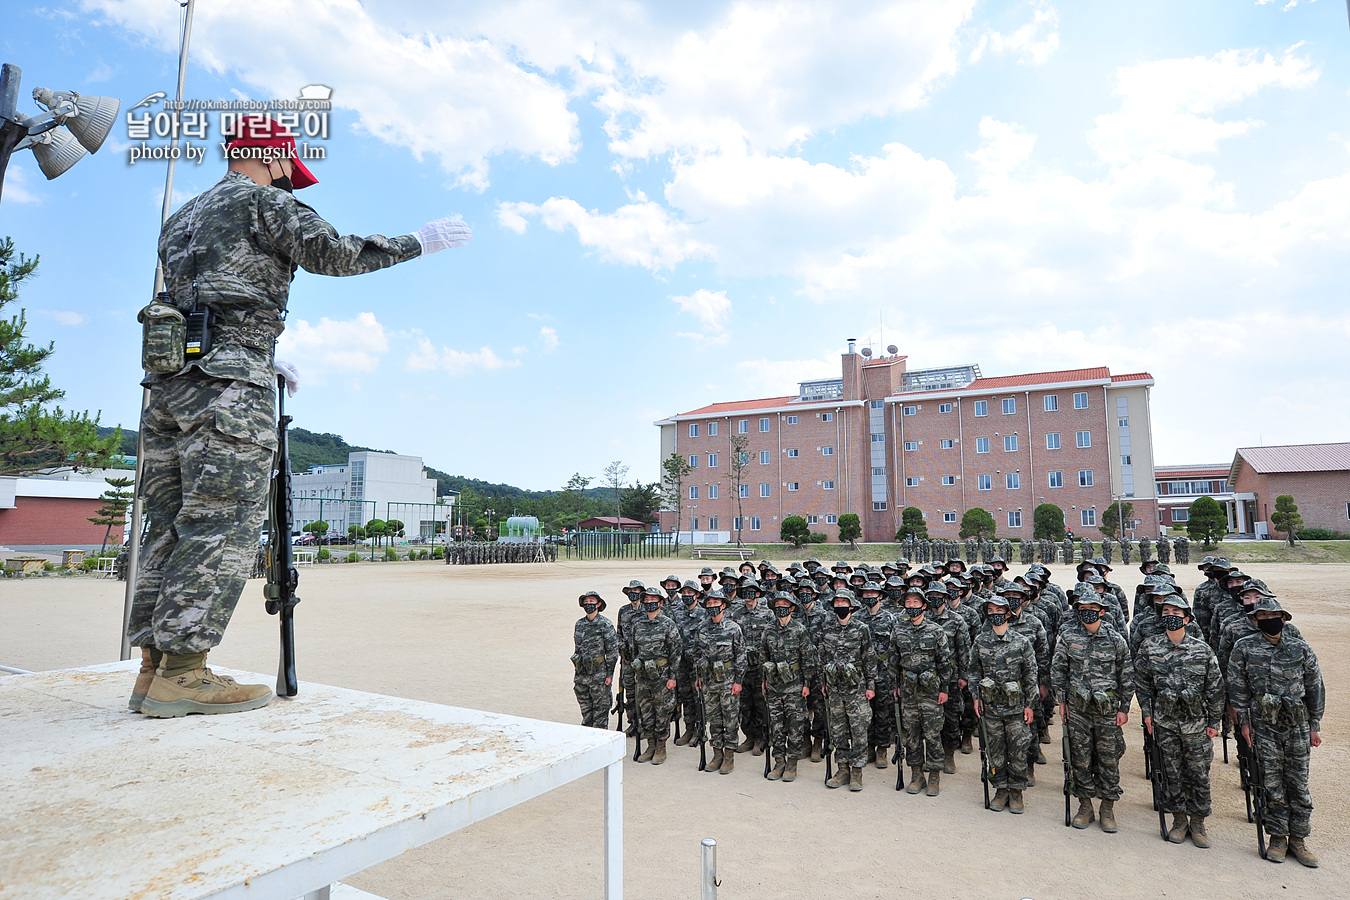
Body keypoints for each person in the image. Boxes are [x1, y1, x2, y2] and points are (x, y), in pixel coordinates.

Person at [130, 116, 470, 717]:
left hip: (169, 385)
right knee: (220, 523)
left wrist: (254, 344)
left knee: (168, 522)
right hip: (230, 386)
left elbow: (195, 298)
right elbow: (335, 254)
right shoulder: (264, 202)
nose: (291, 182)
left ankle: (153, 669)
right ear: (278, 158)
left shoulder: (180, 217)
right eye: (290, 170)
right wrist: (420, 241)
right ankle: (184, 672)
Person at [1228, 596, 1325, 866]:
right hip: (1263, 727)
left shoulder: (1300, 649)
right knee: (1271, 783)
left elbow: (1315, 686)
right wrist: (1244, 722)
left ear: (1283, 619)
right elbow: (1238, 687)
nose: (1269, 620)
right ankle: (1278, 838)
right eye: (1262, 616)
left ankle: (1299, 839)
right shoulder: (1244, 648)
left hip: (1297, 727)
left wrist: (1314, 725)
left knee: (1298, 784)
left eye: (1274, 615)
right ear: (1256, 620)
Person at [1134, 593, 1224, 848]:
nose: (1170, 617)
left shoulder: (1202, 649)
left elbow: (1215, 688)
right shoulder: (1150, 647)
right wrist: (1148, 713)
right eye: (1166, 613)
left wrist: (1214, 722)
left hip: (1196, 724)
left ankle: (1198, 821)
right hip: (1165, 722)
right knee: (1171, 773)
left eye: (1176, 613)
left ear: (1187, 618)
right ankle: (1179, 819)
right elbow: (1142, 683)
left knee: (1198, 773)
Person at [1052, 585, 1134, 833]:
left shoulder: (1114, 639)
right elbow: (1059, 671)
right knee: (1080, 757)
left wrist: (1125, 707)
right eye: (1083, 609)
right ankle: (1085, 805)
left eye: (1092, 609)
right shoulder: (1068, 637)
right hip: (1077, 710)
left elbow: (1126, 674)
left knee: (1109, 758)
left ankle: (1107, 807)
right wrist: (1062, 701)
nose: (1087, 613)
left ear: (1102, 611)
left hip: (1108, 711)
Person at [968, 594, 1037, 813]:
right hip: (990, 706)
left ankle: (1016, 792)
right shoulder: (981, 641)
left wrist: (1030, 704)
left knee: (1017, 750)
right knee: (995, 750)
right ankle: (1000, 789)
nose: (995, 615)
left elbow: (1030, 674)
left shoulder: (1021, 641)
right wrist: (976, 697)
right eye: (991, 611)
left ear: (1008, 613)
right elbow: (973, 671)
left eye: (1000, 611)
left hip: (1016, 707)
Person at [890, 587, 955, 797]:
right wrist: (896, 686)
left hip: (931, 692)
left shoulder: (936, 631)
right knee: (912, 735)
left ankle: (934, 775)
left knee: (933, 734)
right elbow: (893, 662)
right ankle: (916, 775)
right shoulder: (898, 630)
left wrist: (944, 689)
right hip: (908, 692)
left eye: (915, 603)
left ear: (924, 605)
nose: (911, 606)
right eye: (908, 603)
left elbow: (945, 663)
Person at [819, 589, 877, 791]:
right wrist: (823, 683)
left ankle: (857, 772)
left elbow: (869, 658)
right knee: (838, 731)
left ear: (851, 605)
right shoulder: (826, 628)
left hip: (857, 688)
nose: (840, 605)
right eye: (837, 602)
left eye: (844, 602)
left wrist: (870, 685)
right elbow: (822, 658)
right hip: (834, 689)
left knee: (859, 730)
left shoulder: (861, 628)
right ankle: (842, 769)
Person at [761, 592, 815, 782]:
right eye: (778, 604)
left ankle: (792, 763)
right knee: (776, 726)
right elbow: (764, 656)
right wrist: (764, 680)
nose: (781, 608)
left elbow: (808, 658)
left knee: (795, 726)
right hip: (774, 686)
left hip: (795, 687)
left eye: (785, 604)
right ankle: (779, 762)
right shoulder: (768, 630)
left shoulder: (799, 630)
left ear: (792, 607)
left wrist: (807, 684)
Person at [627, 587, 682, 765]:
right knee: (646, 711)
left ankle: (660, 746)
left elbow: (675, 652)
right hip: (643, 676)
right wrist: (637, 672)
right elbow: (634, 650)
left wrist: (672, 676)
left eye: (653, 600)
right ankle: (650, 744)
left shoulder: (668, 624)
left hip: (662, 676)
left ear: (660, 602)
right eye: (647, 599)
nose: (649, 603)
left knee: (662, 711)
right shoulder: (638, 624)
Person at [694, 590, 746, 775]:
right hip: (709, 682)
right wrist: (698, 677)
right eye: (709, 603)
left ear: (723, 605)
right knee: (714, 719)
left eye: (716, 602)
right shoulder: (702, 628)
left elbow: (741, 655)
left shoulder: (733, 628)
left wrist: (738, 681)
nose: (712, 606)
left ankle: (729, 755)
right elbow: (697, 654)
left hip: (728, 681)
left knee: (730, 719)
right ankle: (717, 754)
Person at [731, 576, 773, 756]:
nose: (747, 594)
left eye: (751, 590)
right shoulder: (736, 614)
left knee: (760, 704)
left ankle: (760, 738)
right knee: (745, 705)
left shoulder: (767, 614)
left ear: (757, 593)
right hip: (742, 667)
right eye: (744, 591)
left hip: (760, 668)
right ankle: (749, 736)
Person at [858, 580, 898, 768]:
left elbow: (897, 647)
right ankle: (867, 748)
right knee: (864, 714)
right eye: (866, 593)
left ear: (880, 596)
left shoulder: (890, 619)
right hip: (863, 674)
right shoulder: (857, 618)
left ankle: (882, 749)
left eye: (873, 593)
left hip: (884, 674)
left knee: (882, 714)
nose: (869, 597)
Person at [570, 591, 619, 729]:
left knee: (601, 712)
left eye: (592, 602)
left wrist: (609, 674)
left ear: (598, 604)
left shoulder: (605, 624)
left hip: (599, 675)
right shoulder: (579, 624)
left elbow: (612, 652)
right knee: (586, 712)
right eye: (586, 602)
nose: (588, 604)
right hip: (582, 675)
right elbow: (577, 649)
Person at [669, 580, 708, 745]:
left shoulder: (704, 614)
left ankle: (700, 730)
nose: (686, 596)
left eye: (689, 593)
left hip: (697, 664)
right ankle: (689, 727)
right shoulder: (677, 613)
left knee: (698, 696)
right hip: (681, 663)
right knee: (685, 697)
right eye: (683, 593)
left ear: (697, 595)